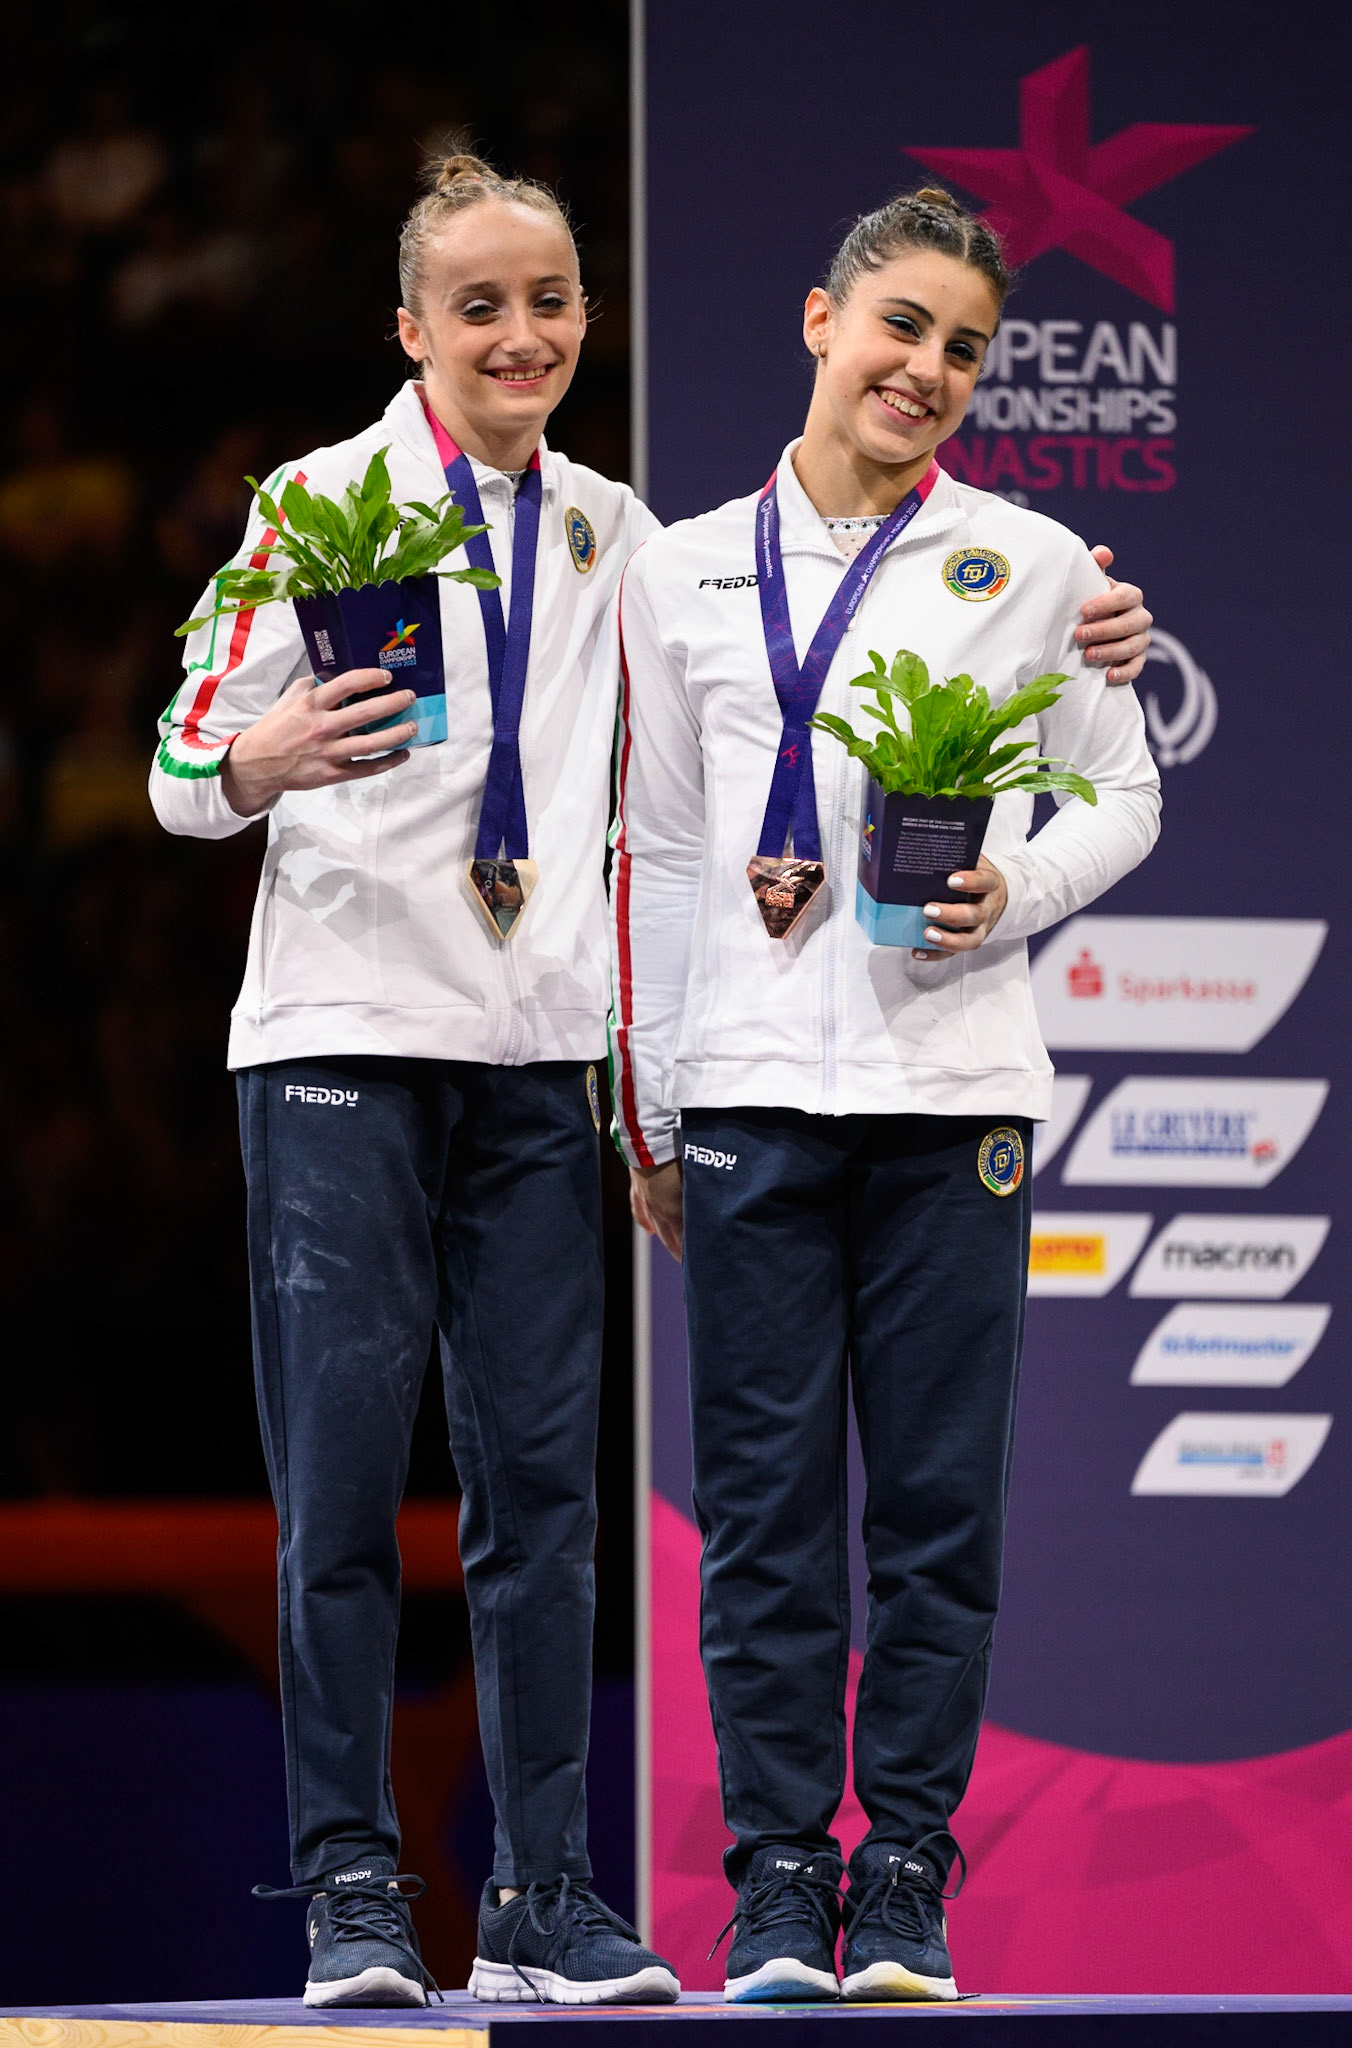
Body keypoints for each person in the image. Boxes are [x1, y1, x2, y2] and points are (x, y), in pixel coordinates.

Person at [613, 188, 1161, 2005]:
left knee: (936, 1514)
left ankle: (905, 1879)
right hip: (757, 1095)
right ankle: (777, 1879)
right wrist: (662, 1105)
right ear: (816, 320)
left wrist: (1017, 887)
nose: (927, 371)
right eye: (900, 327)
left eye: (964, 350)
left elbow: (1122, 795)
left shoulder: (1037, 564)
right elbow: (671, 847)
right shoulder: (682, 569)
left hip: (954, 1097)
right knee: (764, 1515)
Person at [152, 151, 681, 2010]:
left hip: (538, 1060)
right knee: (346, 1493)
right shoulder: (316, 502)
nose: (519, 332)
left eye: (548, 300)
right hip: (344, 1049)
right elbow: (171, 757)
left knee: (544, 1493)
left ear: (581, 319)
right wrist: (261, 751)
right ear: (411, 330)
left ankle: (544, 1898)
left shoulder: (620, 532)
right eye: (480, 305)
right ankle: (353, 1893)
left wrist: (1073, 631)